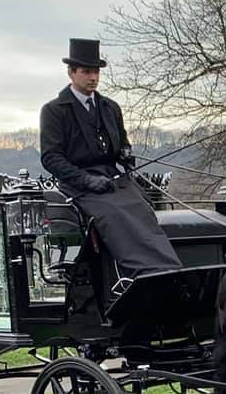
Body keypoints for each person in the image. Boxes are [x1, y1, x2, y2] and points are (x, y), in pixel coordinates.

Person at [39, 38, 182, 295]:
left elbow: (122, 144)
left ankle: (166, 271)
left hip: (113, 179)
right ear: (71, 72)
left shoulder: (109, 107)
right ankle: (140, 276)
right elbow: (51, 158)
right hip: (79, 184)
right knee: (114, 214)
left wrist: (126, 154)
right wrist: (86, 180)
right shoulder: (54, 111)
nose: (92, 77)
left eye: (96, 72)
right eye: (86, 71)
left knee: (143, 209)